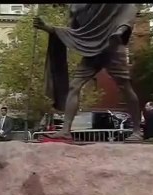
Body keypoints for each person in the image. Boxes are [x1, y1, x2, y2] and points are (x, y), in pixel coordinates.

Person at [33, 4, 142, 142]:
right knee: (74, 85)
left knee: (125, 87)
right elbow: (74, 33)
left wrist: (120, 31)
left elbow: (129, 9)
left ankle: (137, 130)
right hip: (92, 51)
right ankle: (66, 130)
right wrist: (48, 28)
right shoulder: (76, 7)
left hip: (112, 48)